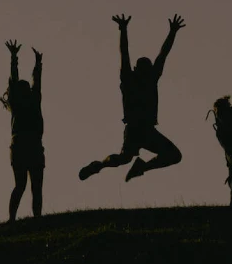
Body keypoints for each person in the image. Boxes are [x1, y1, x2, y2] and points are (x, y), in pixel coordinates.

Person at [79, 14, 185, 182]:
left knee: (125, 158)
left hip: (141, 129)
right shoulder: (134, 79)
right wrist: (172, 32)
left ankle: (104, 165)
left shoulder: (139, 78)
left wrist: (124, 30)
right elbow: (150, 55)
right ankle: (132, 166)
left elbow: (155, 55)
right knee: (169, 155)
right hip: (141, 129)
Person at [0, 40, 44, 222]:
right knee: (24, 185)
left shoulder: (33, 100)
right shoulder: (20, 103)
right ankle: (13, 218)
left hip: (29, 145)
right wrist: (14, 58)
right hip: (24, 145)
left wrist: (37, 63)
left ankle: (33, 218)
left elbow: (36, 81)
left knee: (32, 186)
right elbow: (20, 79)